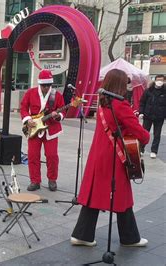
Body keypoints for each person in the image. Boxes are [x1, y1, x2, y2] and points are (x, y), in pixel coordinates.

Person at [71, 69, 150, 248]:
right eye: (125, 83)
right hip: (114, 158)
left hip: (98, 155)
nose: (127, 87)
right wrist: (146, 136)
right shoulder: (120, 105)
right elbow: (140, 133)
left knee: (93, 195)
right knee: (122, 196)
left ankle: (82, 234)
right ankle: (130, 238)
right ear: (119, 85)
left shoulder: (103, 102)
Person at [20, 69, 65, 191]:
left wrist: (58, 116)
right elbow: (23, 107)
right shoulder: (30, 93)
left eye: (48, 85)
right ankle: (35, 181)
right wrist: (27, 119)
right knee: (33, 155)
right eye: (44, 85)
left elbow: (63, 111)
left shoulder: (57, 95)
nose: (46, 88)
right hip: (34, 128)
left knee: (52, 156)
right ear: (39, 84)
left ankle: (52, 180)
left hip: (51, 129)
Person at [139, 74, 166, 159]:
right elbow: (142, 102)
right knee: (144, 133)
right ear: (154, 80)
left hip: (159, 117)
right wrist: (141, 112)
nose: (159, 82)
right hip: (148, 116)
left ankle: (154, 151)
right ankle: (141, 149)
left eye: (161, 80)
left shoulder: (165, 91)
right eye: (158, 80)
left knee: (157, 135)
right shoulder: (148, 90)